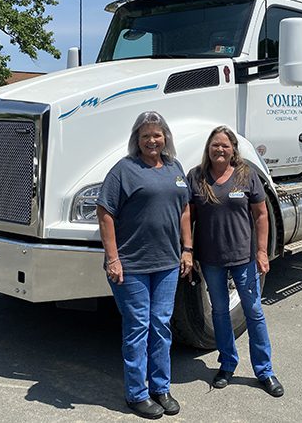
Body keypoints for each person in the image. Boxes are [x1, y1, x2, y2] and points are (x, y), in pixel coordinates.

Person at [97, 111, 193, 419]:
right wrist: (113, 258)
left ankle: (160, 388)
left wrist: (187, 249)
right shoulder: (124, 170)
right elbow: (105, 213)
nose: (152, 140)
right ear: (136, 141)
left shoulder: (175, 168)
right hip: (132, 264)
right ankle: (136, 393)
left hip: (166, 263)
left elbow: (184, 210)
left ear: (166, 137)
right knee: (138, 327)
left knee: (161, 325)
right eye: (145, 136)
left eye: (157, 135)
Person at [187, 125, 284, 397]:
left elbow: (261, 215)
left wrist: (262, 252)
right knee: (219, 313)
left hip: (243, 258)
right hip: (211, 260)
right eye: (215, 145)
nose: (220, 149)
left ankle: (265, 371)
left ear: (233, 150)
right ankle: (227, 364)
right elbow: (188, 216)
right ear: (208, 148)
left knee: (254, 312)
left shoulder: (246, 175)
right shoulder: (197, 177)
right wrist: (189, 250)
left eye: (225, 145)